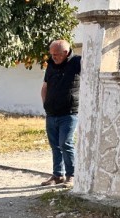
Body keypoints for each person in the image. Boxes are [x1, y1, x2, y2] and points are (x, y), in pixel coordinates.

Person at [41, 39, 81, 188]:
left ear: (65, 52)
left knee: (65, 143)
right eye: (51, 54)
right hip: (51, 113)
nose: (54, 57)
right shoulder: (51, 65)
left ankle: (72, 175)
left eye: (56, 54)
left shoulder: (77, 62)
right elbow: (45, 86)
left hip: (69, 113)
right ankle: (58, 175)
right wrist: (45, 104)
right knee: (55, 145)